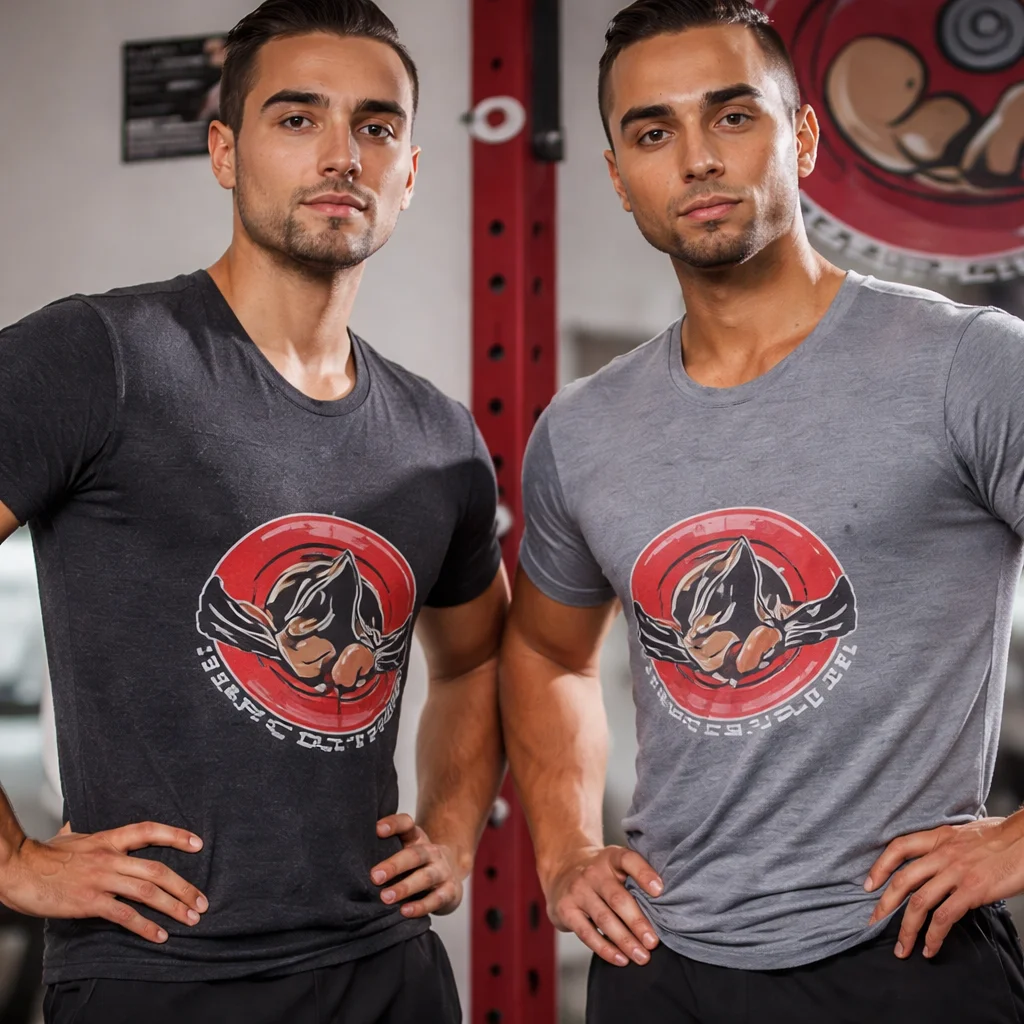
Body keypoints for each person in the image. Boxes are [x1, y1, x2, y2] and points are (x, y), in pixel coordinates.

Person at [498, 1, 1024, 1021]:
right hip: (661, 966)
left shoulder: (969, 364)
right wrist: (565, 850)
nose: (696, 159)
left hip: (903, 956)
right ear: (618, 176)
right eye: (653, 132)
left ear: (805, 138)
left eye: (731, 117)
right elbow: (546, 655)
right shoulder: (583, 428)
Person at [0, 2, 506, 1022]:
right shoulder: (99, 356)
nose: (342, 155)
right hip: (155, 976)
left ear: (409, 167)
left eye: (375, 125)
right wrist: (10, 860)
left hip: (387, 973)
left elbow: (474, 657)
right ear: (224, 152)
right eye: (295, 119)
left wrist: (452, 828)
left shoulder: (440, 435)